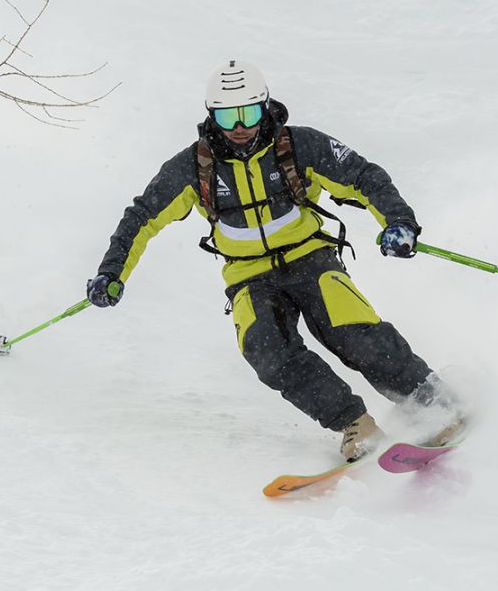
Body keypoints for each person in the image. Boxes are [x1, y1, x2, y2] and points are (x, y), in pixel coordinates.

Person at [88, 60, 455, 462]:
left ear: (265, 105)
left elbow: (364, 177)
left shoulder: (300, 146)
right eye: (228, 115)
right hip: (249, 275)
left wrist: (398, 223)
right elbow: (142, 217)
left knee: (352, 332)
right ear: (212, 115)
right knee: (265, 350)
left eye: (249, 112)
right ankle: (355, 424)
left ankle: (432, 402)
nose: (240, 125)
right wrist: (112, 272)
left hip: (310, 258)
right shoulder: (193, 168)